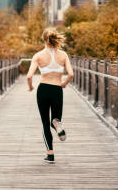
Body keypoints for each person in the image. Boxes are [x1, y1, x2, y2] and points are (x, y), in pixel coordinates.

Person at [26, 27, 74, 164]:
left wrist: (30, 87)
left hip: (43, 89)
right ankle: (57, 123)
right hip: (57, 89)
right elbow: (71, 74)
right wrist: (64, 84)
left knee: (45, 123)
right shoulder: (63, 55)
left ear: (44, 40)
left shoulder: (38, 56)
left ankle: (50, 155)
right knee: (56, 119)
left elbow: (29, 76)